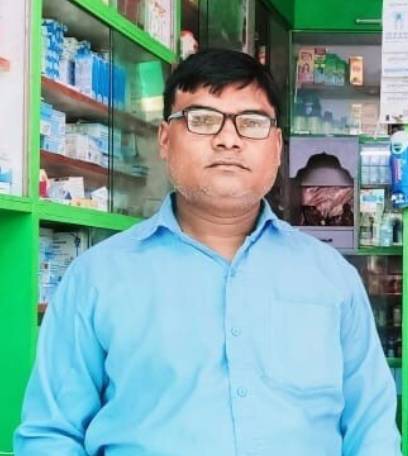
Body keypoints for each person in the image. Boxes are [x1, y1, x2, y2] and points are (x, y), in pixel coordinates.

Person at [15, 49, 401, 455]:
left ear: (276, 147)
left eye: (251, 123)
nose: (228, 139)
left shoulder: (331, 277)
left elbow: (372, 430)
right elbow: (50, 435)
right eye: (202, 119)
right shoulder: (97, 277)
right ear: (165, 139)